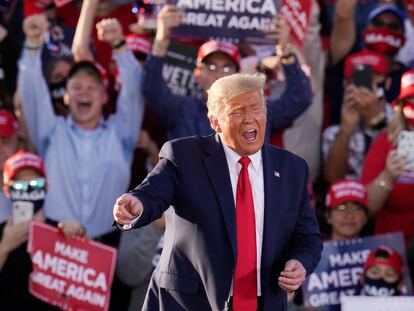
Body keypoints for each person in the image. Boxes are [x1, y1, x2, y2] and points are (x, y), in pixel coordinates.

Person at [113, 73, 322, 310]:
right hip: (188, 303)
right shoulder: (184, 156)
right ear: (215, 122)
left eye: (255, 108)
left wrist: (300, 263)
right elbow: (152, 194)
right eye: (237, 112)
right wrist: (136, 204)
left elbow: (308, 237)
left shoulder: (291, 169)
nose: (249, 118)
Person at [18, 13, 144, 241]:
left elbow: (134, 91)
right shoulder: (51, 133)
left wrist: (119, 46)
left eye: (92, 86)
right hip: (56, 243)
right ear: (66, 96)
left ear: (105, 97)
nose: (84, 91)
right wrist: (33, 46)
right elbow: (32, 93)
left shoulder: (121, 134)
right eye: (76, 86)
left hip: (108, 243)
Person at [143, 4, 312, 140]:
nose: (218, 74)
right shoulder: (182, 110)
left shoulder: (259, 113)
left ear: (238, 76)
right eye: (210, 66)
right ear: (197, 73)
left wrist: (285, 50)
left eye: (226, 68)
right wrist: (161, 39)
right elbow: (151, 89)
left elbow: (300, 98)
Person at [361, 68, 414, 246]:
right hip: (392, 247)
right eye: (411, 99)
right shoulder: (386, 141)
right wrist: (388, 176)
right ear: (400, 106)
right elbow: (367, 208)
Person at [323, 49, 392, 182]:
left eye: (372, 78)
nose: (364, 88)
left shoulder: (403, 119)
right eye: (358, 79)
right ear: (345, 84)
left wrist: (376, 120)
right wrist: (346, 129)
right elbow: (333, 181)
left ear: (387, 82)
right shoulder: (334, 133)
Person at [0, 150, 56, 310]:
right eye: (19, 185)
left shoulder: (62, 231)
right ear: (7, 190)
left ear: (46, 186)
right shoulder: (1, 234)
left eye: (35, 184)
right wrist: (4, 247)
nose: (28, 190)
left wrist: (79, 240)